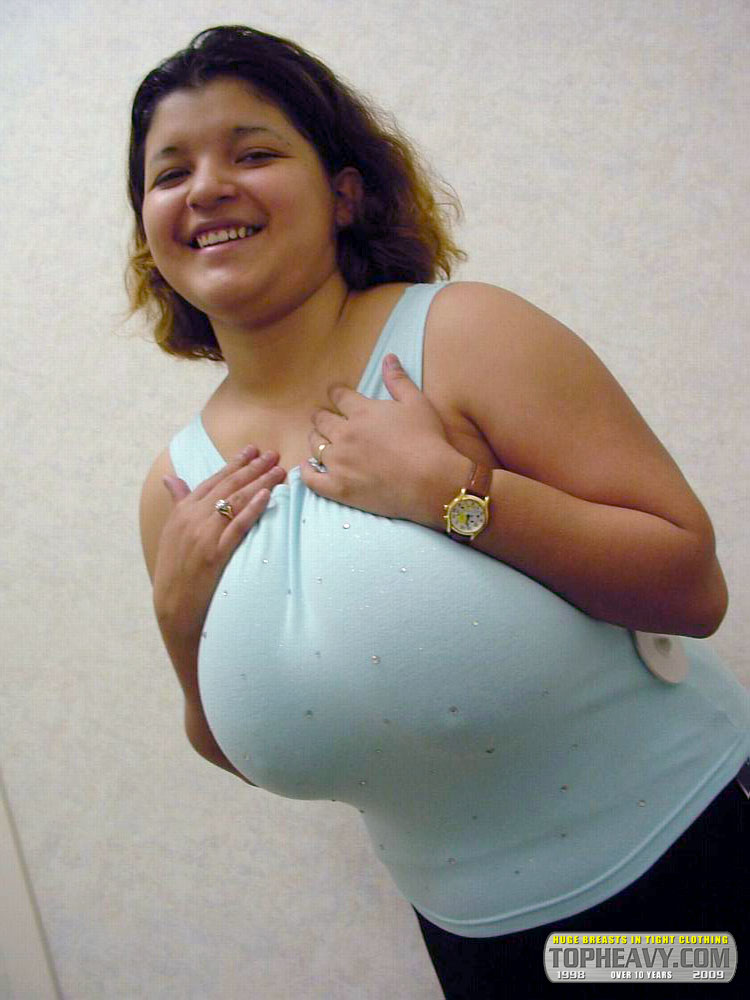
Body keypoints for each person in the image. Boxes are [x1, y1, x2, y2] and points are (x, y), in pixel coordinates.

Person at [130, 26, 749, 998]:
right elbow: (243, 747)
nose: (207, 187)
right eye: (171, 172)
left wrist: (454, 497)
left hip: (689, 875)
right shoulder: (176, 484)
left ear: (345, 194)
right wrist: (177, 623)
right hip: (476, 947)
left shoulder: (463, 334)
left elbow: (692, 587)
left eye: (252, 154)